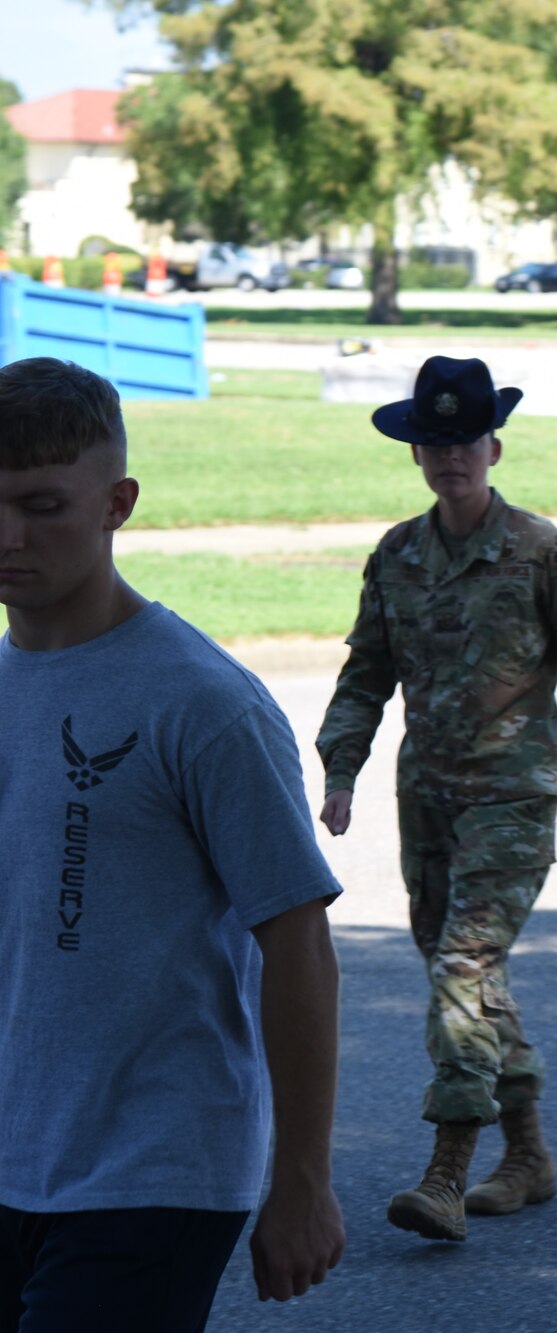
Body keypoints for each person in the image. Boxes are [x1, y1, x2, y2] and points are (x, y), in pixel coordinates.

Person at [0, 357, 345, 1328]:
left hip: (152, 1171)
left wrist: (303, 1181)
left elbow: (299, 941)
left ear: (117, 504)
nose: (8, 537)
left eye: (41, 505)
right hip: (16, 1156)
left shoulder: (201, 702)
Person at [315, 355, 557, 1242]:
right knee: (469, 973)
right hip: (427, 800)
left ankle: (447, 1172)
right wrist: (340, 771)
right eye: (435, 441)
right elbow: (365, 673)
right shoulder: (396, 555)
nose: (450, 454)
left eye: (464, 439)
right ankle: (529, 1155)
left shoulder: (539, 551)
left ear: (493, 445)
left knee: (462, 964)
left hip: (512, 796)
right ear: (416, 453)